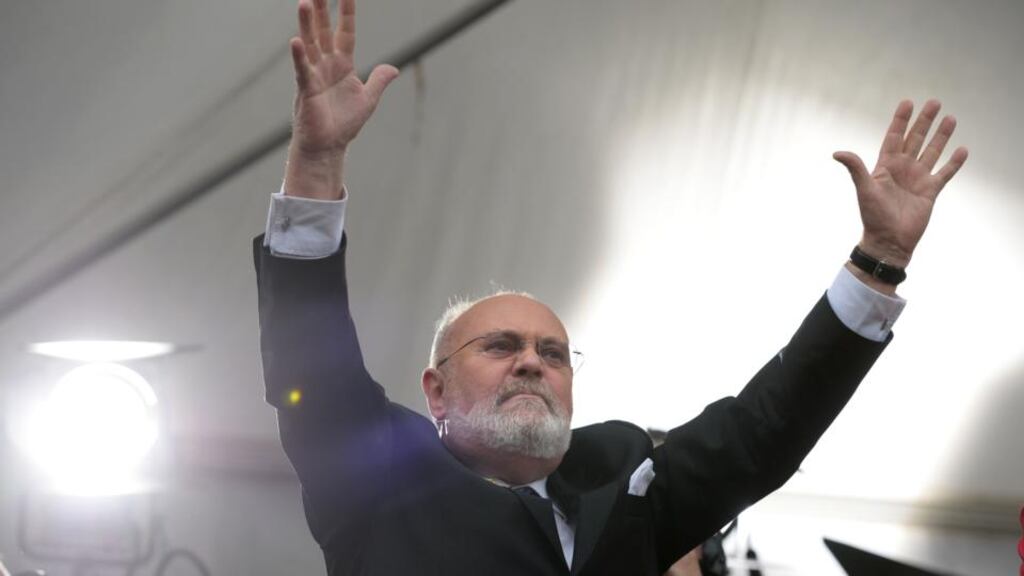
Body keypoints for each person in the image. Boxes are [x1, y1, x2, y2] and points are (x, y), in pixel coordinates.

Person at [252, 0, 968, 574]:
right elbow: (307, 362)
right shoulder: (379, 477)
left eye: (553, 353)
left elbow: (764, 429)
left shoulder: (620, 476)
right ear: (435, 391)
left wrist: (879, 259)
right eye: (500, 346)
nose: (532, 360)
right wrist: (316, 162)